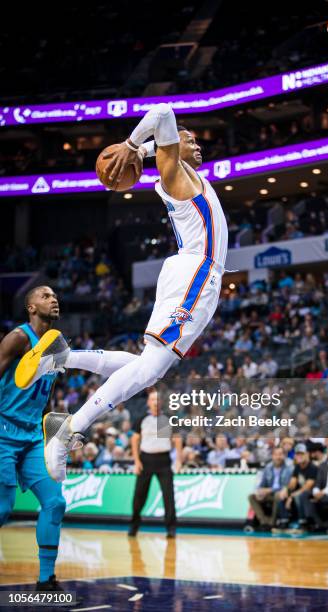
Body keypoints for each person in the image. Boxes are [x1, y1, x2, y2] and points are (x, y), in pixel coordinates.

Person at [15, 103, 228, 483]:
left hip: (191, 271)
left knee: (146, 367)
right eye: (188, 138)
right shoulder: (176, 173)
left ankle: (61, 357)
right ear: (172, 148)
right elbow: (163, 112)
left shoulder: (180, 170)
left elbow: (163, 139)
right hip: (197, 271)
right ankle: (66, 432)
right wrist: (132, 143)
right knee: (152, 368)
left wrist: (143, 150)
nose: (197, 143)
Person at [0, 286, 68, 591]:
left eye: (54, 295)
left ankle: (46, 581)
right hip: (3, 430)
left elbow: (47, 398)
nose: (52, 299)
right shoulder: (18, 338)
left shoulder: (58, 346)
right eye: (44, 295)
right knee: (3, 507)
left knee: (55, 502)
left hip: (32, 437)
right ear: (30, 307)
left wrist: (54, 438)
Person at [129, 388, 182, 538]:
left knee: (168, 496)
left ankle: (171, 528)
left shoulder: (169, 419)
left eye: (158, 399)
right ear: (148, 402)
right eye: (153, 399)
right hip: (146, 460)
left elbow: (177, 439)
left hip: (164, 460)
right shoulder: (142, 419)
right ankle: (134, 525)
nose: (155, 402)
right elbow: (134, 440)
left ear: (161, 402)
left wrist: (179, 460)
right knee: (139, 496)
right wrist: (136, 461)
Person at [248, 446, 293, 529]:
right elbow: (261, 484)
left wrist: (270, 490)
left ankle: (272, 522)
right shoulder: (268, 468)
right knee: (251, 496)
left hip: (281, 494)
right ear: (272, 456)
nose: (278, 457)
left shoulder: (289, 467)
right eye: (276, 454)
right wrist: (259, 491)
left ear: (284, 456)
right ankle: (264, 522)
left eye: (280, 454)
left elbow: (286, 487)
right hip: (269, 494)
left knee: (277, 495)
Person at [278, 443, 318, 529]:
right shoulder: (297, 467)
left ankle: (303, 522)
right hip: (299, 492)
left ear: (307, 454)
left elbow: (307, 487)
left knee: (299, 496)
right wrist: (286, 490)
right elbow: (292, 484)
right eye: (297, 454)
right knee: (282, 494)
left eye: (302, 454)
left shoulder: (313, 467)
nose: (299, 456)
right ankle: (284, 521)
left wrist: (291, 496)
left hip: (310, 493)